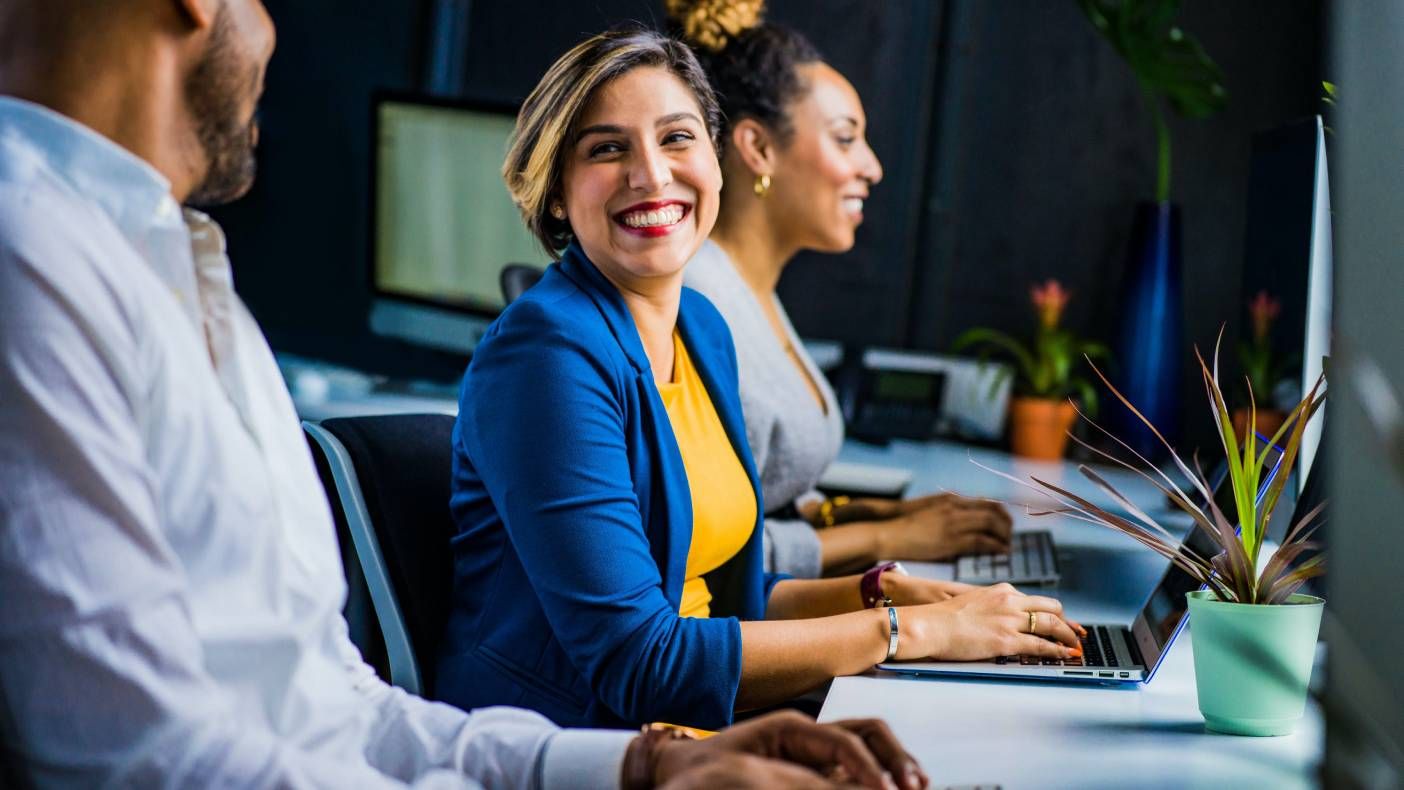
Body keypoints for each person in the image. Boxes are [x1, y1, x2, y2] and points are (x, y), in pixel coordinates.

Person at [0, 2, 927, 787]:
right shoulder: (32, 260)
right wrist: (891, 629)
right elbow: (142, 755)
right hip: (598, 708)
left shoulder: (183, 274)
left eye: (679, 138)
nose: (275, 27)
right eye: (610, 149)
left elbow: (335, 703)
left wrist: (642, 770)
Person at [439, 26, 1083, 733]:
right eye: (607, 148)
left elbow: (725, 601)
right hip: (575, 745)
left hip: (699, 728)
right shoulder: (545, 356)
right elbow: (639, 662)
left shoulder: (703, 328)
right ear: (558, 193)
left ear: (716, 162)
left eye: (677, 138)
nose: (652, 175)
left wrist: (883, 594)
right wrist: (910, 632)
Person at [670, 0, 1015, 579]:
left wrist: (875, 512)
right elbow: (704, 553)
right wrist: (886, 536)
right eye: (845, 139)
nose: (873, 167)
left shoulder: (750, 290)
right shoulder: (699, 305)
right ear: (758, 149)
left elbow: (762, 491)